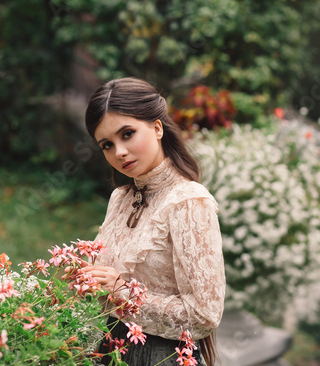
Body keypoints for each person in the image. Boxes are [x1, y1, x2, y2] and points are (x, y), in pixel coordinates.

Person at [80, 77, 226, 366]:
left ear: (157, 127)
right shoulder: (120, 199)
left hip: (163, 357)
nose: (119, 152)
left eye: (127, 134)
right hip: (110, 351)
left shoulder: (188, 201)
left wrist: (122, 291)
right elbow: (106, 288)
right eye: (107, 144)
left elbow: (206, 315)